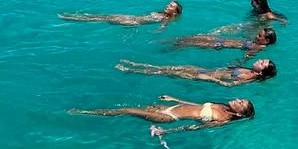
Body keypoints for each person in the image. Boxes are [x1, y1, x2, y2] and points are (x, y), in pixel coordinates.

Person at [69, 95, 255, 135]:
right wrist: (174, 99)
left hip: (168, 118)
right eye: (241, 99)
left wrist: (166, 131)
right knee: (135, 106)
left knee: (127, 110)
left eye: (241, 104)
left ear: (240, 114)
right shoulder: (222, 105)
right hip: (171, 106)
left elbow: (194, 128)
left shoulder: (223, 120)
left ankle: (87, 113)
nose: (238, 100)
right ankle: (96, 110)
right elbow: (197, 105)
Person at [116, 57, 277, 86]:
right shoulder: (248, 70)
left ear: (261, 72)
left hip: (204, 75)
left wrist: (210, 79)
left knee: (167, 73)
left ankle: (132, 70)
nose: (259, 60)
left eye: (262, 63)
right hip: (205, 70)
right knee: (169, 67)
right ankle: (136, 64)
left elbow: (228, 85)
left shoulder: (247, 78)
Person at [171, 26, 277, 57]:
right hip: (221, 40)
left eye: (259, 36)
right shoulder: (257, 43)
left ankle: (174, 47)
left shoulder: (259, 47)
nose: (256, 36)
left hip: (219, 44)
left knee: (191, 43)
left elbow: (247, 56)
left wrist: (237, 63)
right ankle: (176, 41)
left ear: (266, 40)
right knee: (196, 36)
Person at [59, 1, 182, 26]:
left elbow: (162, 27)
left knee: (102, 19)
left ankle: (73, 18)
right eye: (168, 4)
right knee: (104, 16)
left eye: (171, 6)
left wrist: (157, 31)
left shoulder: (167, 19)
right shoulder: (160, 13)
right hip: (131, 17)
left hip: (132, 22)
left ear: (175, 12)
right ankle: (78, 16)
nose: (167, 5)